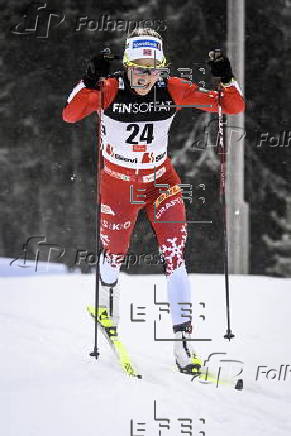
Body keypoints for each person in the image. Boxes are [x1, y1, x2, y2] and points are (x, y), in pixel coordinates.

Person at [62, 28, 245, 374]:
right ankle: (106, 304)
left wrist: (226, 79)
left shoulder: (172, 88)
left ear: (162, 69)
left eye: (153, 70)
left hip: (161, 182)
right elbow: (70, 114)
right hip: (118, 185)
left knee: (175, 256)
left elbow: (232, 105)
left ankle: (184, 345)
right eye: (138, 69)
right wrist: (89, 80)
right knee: (114, 253)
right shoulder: (110, 89)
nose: (145, 78)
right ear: (127, 67)